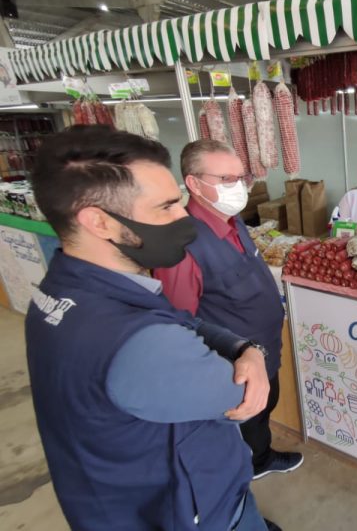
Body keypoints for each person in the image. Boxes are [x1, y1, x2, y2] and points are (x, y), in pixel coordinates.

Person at [25, 127, 270, 531]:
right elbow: (242, 396)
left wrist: (246, 348)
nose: (183, 217)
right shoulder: (138, 343)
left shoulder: (63, 291)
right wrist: (253, 359)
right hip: (197, 516)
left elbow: (182, 321)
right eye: (166, 207)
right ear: (99, 222)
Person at [154, 141, 302, 506]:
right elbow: (179, 324)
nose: (239, 186)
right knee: (233, 443)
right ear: (193, 183)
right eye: (226, 178)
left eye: (240, 177)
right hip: (231, 369)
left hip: (263, 353)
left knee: (262, 414)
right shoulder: (183, 246)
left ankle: (261, 459)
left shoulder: (233, 222)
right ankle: (239, 506)